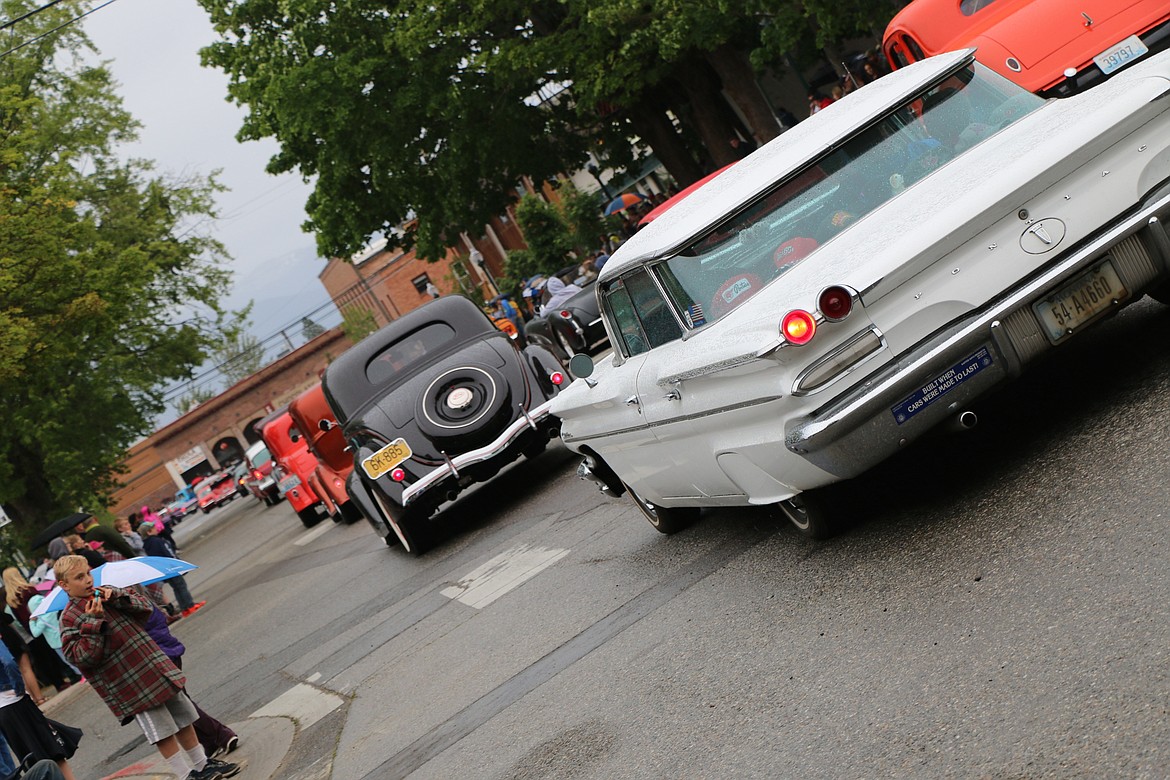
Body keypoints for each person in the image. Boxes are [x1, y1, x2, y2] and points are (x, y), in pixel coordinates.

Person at [55, 556, 238, 780]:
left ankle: (202, 765)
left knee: (183, 716)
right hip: (128, 681)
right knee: (162, 729)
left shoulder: (108, 592)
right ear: (64, 585)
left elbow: (146, 609)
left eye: (88, 573)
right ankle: (184, 775)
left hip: (151, 663)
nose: (87, 580)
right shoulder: (69, 618)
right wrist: (93, 623)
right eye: (79, 577)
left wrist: (118, 597)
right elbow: (82, 658)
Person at [142, 608, 239, 758]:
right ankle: (210, 742)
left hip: (159, 656)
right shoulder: (130, 594)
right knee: (180, 702)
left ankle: (221, 734)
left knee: (179, 704)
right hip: (165, 649)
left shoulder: (119, 599)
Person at [0, 639, 80, 780]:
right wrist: (18, 686)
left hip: (3, 712)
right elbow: (9, 662)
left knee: (31, 760)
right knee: (52, 750)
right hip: (16, 702)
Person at [2, 570, 76, 695]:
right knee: (54, 654)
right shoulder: (29, 590)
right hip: (43, 625)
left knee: (42, 660)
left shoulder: (10, 600)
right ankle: (70, 675)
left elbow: (15, 620)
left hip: (30, 631)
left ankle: (57, 683)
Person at [139, 524, 204, 618]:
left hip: (163, 569)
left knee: (176, 587)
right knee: (181, 586)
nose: (156, 529)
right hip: (170, 567)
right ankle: (190, 605)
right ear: (149, 532)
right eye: (153, 529)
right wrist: (176, 563)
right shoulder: (157, 541)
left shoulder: (147, 545)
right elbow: (167, 552)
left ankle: (184, 607)